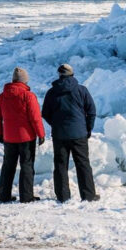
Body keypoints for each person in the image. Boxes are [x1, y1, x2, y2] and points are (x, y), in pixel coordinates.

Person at [42, 63, 100, 202]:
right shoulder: (81, 90)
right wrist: (87, 128)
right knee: (83, 164)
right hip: (79, 134)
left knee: (60, 165)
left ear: (59, 75)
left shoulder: (51, 92)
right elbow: (91, 111)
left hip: (59, 135)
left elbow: (45, 113)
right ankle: (88, 195)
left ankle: (63, 196)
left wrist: (55, 124)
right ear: (72, 74)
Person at [0, 67, 45, 203]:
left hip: (9, 137)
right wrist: (41, 134)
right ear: (24, 81)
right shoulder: (28, 96)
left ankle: (4, 196)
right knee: (27, 166)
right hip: (26, 137)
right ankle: (26, 196)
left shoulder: (2, 96)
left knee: (8, 166)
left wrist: (0, 132)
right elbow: (35, 117)